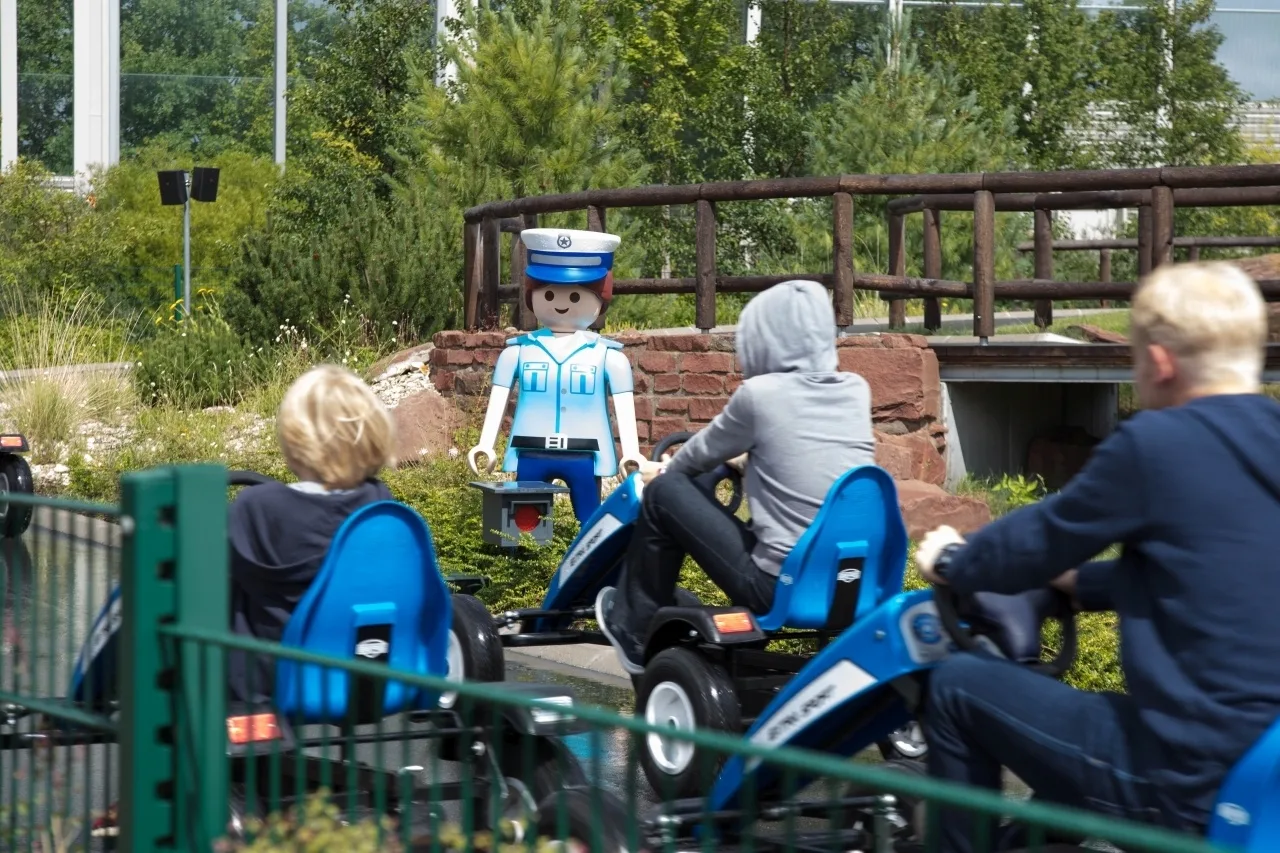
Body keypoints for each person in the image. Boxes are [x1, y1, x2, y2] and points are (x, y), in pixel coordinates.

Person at [914, 261, 1280, 851]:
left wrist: (955, 560)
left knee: (958, 686)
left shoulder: (1157, 444)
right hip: (1262, 778)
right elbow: (1207, 569)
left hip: (1185, 783)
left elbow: (1039, 537)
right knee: (1075, 745)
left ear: (1159, 362)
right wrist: (1081, 585)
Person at [595, 279, 877, 675]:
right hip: (855, 584)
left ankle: (634, 629)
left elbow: (697, 456)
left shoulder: (760, 395)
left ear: (764, 338)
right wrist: (751, 461)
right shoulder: (856, 391)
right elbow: (810, 453)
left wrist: (663, 471)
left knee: (666, 492)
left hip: (777, 588)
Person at [228, 363, 396, 704]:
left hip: (270, 679)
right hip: (356, 668)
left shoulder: (257, 507)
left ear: (295, 438)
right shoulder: (379, 504)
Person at [467, 228, 643, 523]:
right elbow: (498, 398)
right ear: (532, 294)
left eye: (576, 295)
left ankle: (585, 552)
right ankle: (528, 554)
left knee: (589, 522)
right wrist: (485, 443)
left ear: (600, 298)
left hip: (586, 451)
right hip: (530, 447)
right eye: (548, 293)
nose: (562, 302)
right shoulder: (518, 352)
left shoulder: (609, 357)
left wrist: (632, 452)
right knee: (525, 523)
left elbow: (625, 407)